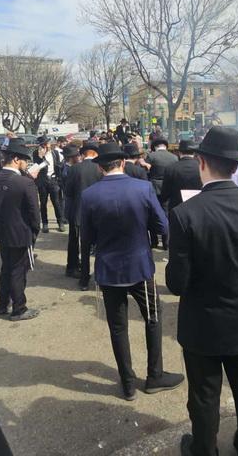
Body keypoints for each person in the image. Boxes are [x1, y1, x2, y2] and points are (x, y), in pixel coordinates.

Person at [166, 126, 238, 456]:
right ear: (235, 165)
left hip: (202, 322)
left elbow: (177, 283)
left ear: (202, 162)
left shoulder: (185, 213)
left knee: (204, 393)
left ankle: (204, 448)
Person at [80, 143, 184, 401]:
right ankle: (154, 375)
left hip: (109, 268)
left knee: (118, 327)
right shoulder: (142, 188)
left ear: (100, 167)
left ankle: (127, 383)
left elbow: (87, 237)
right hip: (139, 266)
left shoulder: (89, 195)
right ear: (123, 163)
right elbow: (162, 226)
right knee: (153, 318)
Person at [0, 138, 41, 321]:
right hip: (21, 232)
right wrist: (35, 231)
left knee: (6, 268)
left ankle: (3, 304)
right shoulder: (25, 183)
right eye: (25, 160)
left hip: (2, 231)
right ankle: (19, 308)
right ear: (17, 159)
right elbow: (34, 212)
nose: (26, 164)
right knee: (18, 271)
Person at [63, 142, 103, 290]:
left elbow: (68, 192)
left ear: (83, 154)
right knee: (100, 246)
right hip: (98, 212)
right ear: (95, 153)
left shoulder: (74, 169)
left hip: (79, 212)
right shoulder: (101, 168)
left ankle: (84, 279)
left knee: (82, 247)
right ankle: (100, 277)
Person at [146, 137, 177, 248]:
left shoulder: (151, 156)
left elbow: (146, 171)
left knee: (152, 214)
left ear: (155, 146)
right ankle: (166, 242)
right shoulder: (174, 157)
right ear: (165, 146)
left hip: (154, 187)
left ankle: (154, 241)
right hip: (168, 188)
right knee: (166, 214)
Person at [33, 137, 65, 233]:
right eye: (47, 143)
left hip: (53, 180)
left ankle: (60, 222)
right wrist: (41, 157)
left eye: (48, 143)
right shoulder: (36, 153)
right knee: (43, 203)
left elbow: (58, 165)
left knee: (56, 202)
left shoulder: (55, 153)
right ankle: (45, 223)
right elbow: (37, 167)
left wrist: (59, 178)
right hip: (42, 181)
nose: (49, 144)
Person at [160, 139, 202, 211]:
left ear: (179, 152)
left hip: (177, 208)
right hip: (197, 206)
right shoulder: (201, 168)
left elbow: (165, 193)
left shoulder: (171, 168)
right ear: (194, 152)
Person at [61, 144, 82, 278]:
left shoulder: (69, 168)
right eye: (77, 156)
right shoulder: (68, 170)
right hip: (73, 207)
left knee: (74, 239)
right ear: (72, 157)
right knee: (74, 240)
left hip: (73, 206)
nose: (79, 158)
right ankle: (72, 267)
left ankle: (74, 264)